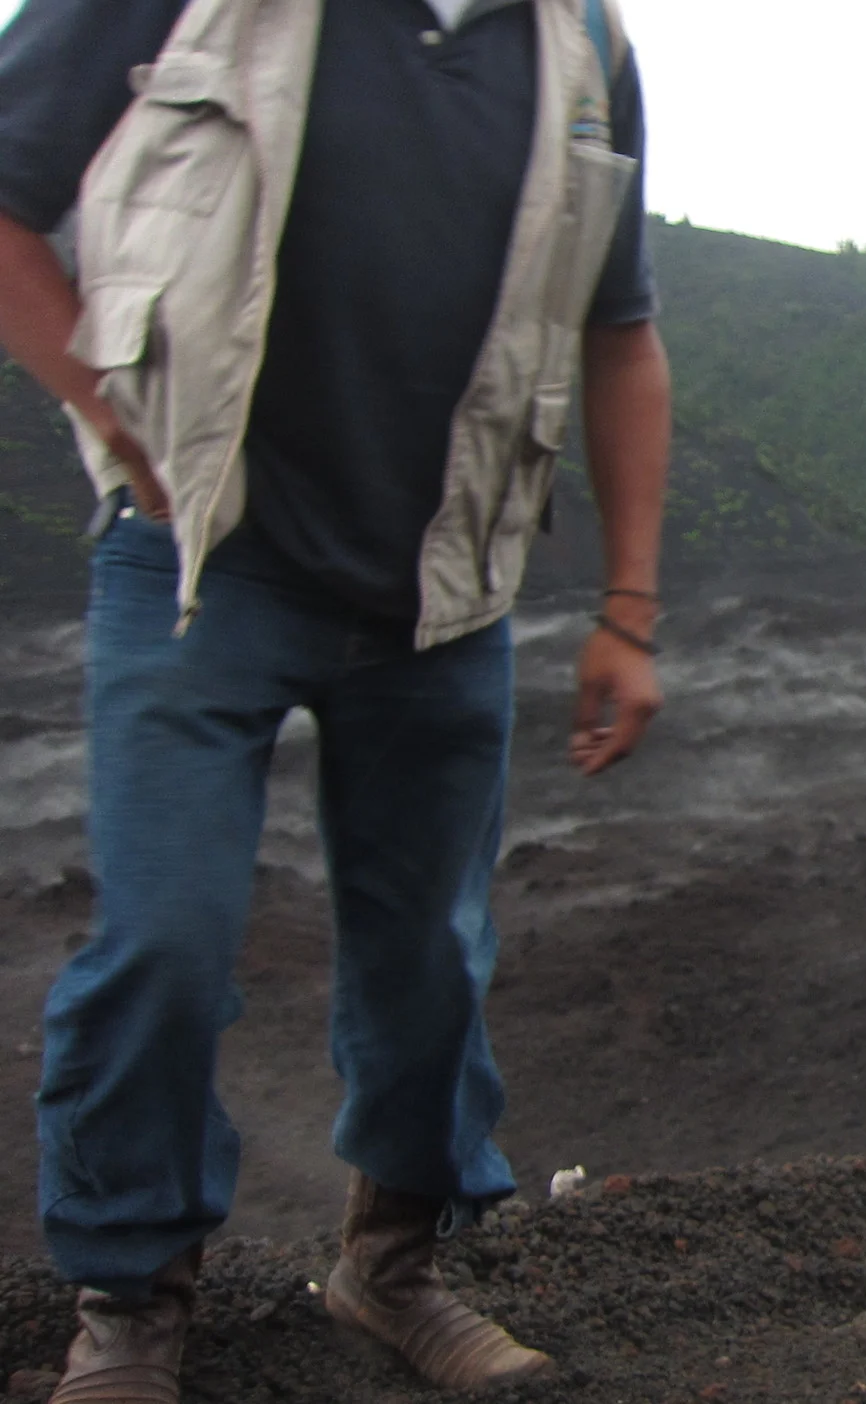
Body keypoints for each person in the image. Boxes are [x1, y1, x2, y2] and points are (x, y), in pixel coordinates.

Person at [0, 0, 671, 1397]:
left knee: (429, 955)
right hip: (199, 564)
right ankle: (131, 1300)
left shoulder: (582, 49)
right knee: (166, 942)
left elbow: (620, 329)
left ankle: (390, 1267)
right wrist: (110, 413)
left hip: (446, 587)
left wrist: (627, 610)